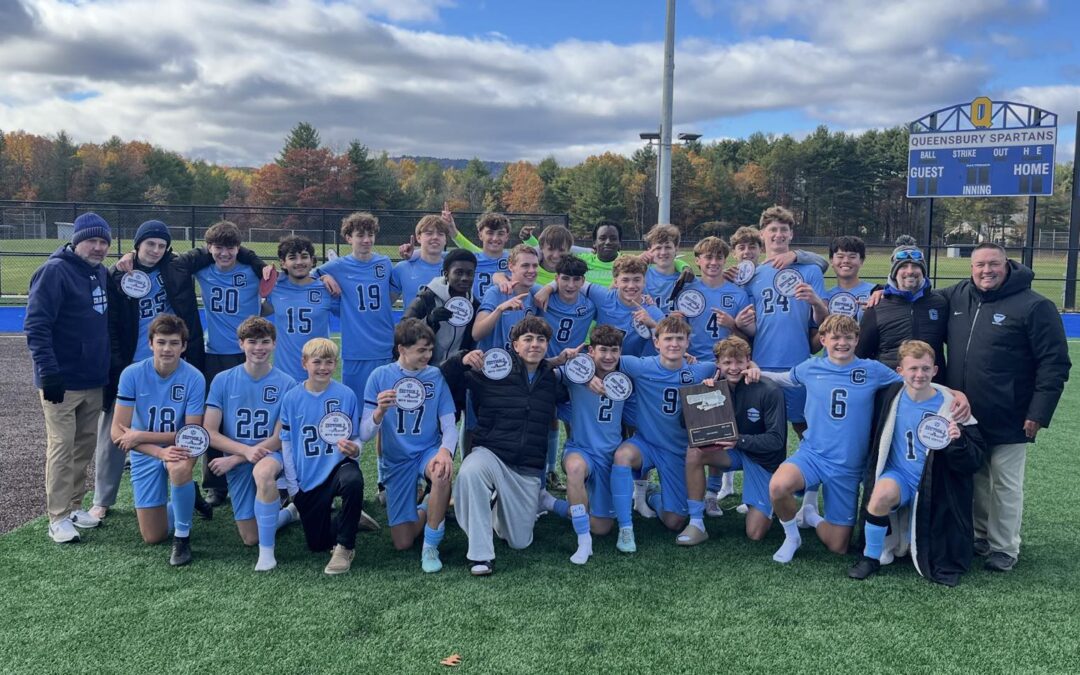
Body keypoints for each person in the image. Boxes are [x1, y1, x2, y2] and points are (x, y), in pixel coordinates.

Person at [756, 315, 969, 564]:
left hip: (848, 465)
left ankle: (813, 517)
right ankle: (792, 537)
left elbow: (915, 380)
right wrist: (755, 371)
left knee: (838, 546)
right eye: (835, 337)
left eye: (848, 337)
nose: (842, 343)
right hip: (813, 454)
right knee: (778, 486)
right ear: (823, 340)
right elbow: (782, 379)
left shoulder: (872, 370)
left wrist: (957, 393)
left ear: (857, 340)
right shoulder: (809, 367)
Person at [938, 242, 1071, 572]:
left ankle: (1005, 548)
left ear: (1007, 265)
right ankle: (981, 536)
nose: (987, 270)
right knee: (978, 480)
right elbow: (920, 292)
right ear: (970, 269)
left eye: (993, 264)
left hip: (1012, 414)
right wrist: (883, 289)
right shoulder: (957, 296)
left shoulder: (1034, 305)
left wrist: (1038, 413)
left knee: (1006, 485)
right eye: (980, 265)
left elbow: (1055, 363)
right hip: (967, 415)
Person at [441, 316, 577, 576]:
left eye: (540, 340)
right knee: (470, 472)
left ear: (547, 345)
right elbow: (443, 377)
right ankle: (481, 555)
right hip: (491, 453)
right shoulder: (493, 371)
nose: (534, 344)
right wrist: (461, 360)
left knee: (519, 541)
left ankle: (513, 503)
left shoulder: (551, 378)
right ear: (515, 345)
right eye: (527, 339)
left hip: (526, 469)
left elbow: (574, 392)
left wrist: (586, 372)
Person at [849, 340, 985, 585]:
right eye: (912, 369)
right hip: (900, 474)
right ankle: (870, 557)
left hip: (935, 480)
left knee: (934, 546)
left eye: (925, 368)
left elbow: (974, 459)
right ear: (900, 370)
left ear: (935, 370)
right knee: (879, 496)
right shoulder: (890, 397)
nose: (919, 375)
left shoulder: (950, 405)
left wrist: (958, 441)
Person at [25, 212, 112, 543]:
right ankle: (57, 516)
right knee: (61, 447)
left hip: (93, 379)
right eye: (92, 240)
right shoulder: (54, 272)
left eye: (103, 242)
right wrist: (48, 371)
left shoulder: (100, 273)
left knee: (83, 446)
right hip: (62, 380)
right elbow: (36, 326)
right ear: (77, 241)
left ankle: (74, 505)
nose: (98, 247)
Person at [609, 315, 716, 553]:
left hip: (678, 452)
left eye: (680, 339)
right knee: (622, 455)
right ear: (656, 342)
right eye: (668, 339)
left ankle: (652, 495)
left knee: (674, 521)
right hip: (646, 443)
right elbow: (602, 358)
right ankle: (625, 527)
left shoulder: (702, 370)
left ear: (688, 342)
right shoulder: (640, 365)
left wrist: (751, 367)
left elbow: (734, 365)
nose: (674, 344)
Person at [202, 317, 299, 570]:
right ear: (241, 344)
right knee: (249, 537)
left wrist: (236, 457)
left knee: (263, 471)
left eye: (265, 342)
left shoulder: (286, 383)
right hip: (239, 455)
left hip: (269, 454)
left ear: (274, 344)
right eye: (252, 342)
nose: (259, 348)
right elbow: (209, 432)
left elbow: (279, 438)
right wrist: (244, 452)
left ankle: (267, 555)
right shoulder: (223, 380)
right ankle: (288, 513)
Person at [360, 319, 457, 573]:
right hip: (397, 459)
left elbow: (449, 424)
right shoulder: (380, 377)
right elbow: (365, 433)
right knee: (402, 542)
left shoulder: (435, 376)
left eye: (430, 349)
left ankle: (430, 545)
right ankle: (429, 504)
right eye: (421, 350)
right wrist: (379, 412)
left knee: (441, 473)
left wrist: (445, 451)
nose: (428, 355)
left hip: (427, 451)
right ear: (402, 349)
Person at [111, 314, 206, 565]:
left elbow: (192, 432)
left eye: (174, 343)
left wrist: (141, 435)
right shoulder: (131, 374)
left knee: (179, 467)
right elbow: (117, 433)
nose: (167, 349)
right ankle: (186, 496)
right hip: (146, 451)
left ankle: (183, 539)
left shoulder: (194, 377)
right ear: (150, 343)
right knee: (152, 536)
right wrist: (156, 450)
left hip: (180, 446)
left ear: (183, 346)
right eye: (161, 342)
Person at [679, 336, 787, 545]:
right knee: (695, 451)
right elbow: (685, 423)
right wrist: (702, 394)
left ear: (749, 361)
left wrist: (739, 441)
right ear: (718, 364)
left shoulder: (769, 389)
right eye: (727, 362)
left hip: (762, 459)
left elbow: (777, 441)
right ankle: (696, 522)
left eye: (739, 362)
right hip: (734, 452)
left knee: (755, 533)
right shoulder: (715, 386)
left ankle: (769, 500)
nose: (734, 368)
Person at [539, 324, 627, 565]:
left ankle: (552, 503)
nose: (608, 356)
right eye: (603, 350)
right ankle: (583, 540)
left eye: (614, 350)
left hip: (610, 455)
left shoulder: (627, 374)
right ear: (591, 351)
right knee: (576, 469)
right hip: (581, 448)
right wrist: (559, 359)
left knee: (602, 527)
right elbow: (540, 369)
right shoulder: (576, 372)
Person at [279, 338, 366, 575]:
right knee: (317, 544)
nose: (323, 367)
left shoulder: (346, 395)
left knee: (353, 480)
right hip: (307, 475)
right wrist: (292, 484)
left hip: (338, 465)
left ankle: (346, 546)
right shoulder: (291, 398)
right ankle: (352, 515)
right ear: (304, 363)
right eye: (317, 361)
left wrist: (355, 449)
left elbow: (356, 437)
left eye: (329, 361)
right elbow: (285, 442)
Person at [856, 236, 948, 377]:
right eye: (903, 266)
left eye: (916, 266)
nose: (910, 271)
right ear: (894, 273)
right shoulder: (876, 305)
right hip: (890, 389)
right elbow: (861, 354)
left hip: (932, 388)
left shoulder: (940, 303)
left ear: (923, 270)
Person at [264, 235, 340, 383]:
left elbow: (351, 314)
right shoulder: (275, 288)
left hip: (318, 373)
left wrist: (327, 277)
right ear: (283, 263)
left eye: (304, 257)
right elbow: (257, 310)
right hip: (284, 375)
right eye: (292, 257)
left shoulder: (326, 289)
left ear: (312, 261)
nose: (299, 262)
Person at [670, 236, 752, 360]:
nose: (714, 262)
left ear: (725, 260)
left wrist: (732, 325)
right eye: (708, 257)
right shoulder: (687, 293)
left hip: (728, 365)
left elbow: (748, 340)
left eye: (719, 258)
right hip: (693, 363)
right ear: (697, 260)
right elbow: (679, 335)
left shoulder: (739, 294)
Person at [403, 248, 479, 365]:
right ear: (446, 274)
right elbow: (403, 330)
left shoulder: (474, 306)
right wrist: (428, 321)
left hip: (456, 371)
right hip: (424, 368)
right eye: (458, 273)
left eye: (470, 273)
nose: (464, 278)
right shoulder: (427, 298)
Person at [473, 244, 543, 351]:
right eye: (525, 265)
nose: (531, 270)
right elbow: (476, 334)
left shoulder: (536, 297)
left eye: (535, 266)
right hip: (493, 364)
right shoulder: (496, 292)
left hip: (519, 365)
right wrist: (500, 309)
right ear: (511, 267)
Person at [392, 214, 449, 304]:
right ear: (418, 238)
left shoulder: (454, 269)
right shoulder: (402, 268)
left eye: (440, 234)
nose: (435, 237)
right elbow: (385, 304)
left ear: (445, 239)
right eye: (429, 233)